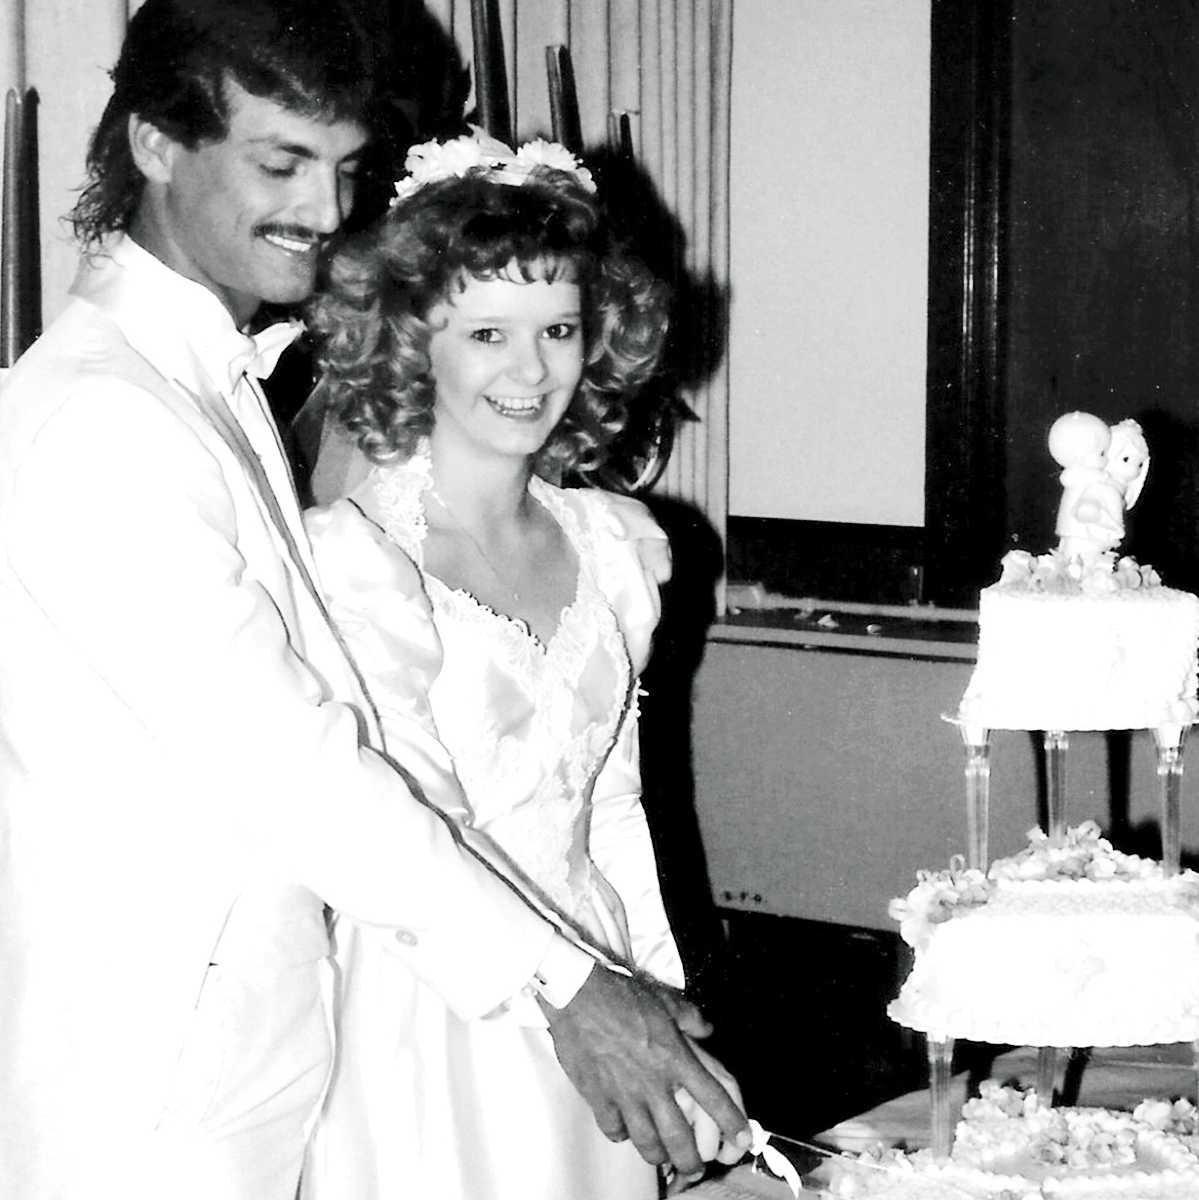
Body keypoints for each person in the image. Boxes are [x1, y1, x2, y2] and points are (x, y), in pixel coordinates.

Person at [0, 4, 748, 1199]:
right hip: (151, 1080)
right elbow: (293, 759)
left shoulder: (206, 383)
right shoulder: (103, 420)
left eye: (343, 167)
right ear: (151, 145)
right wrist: (564, 984)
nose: (322, 206)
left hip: (257, 1049)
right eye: (279, 162)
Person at [297, 131, 743, 1199]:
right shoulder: (356, 560)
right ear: (415, 339)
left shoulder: (617, 546)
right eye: (487, 331)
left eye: (557, 329)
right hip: (435, 1010)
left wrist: (664, 1021)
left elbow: (619, 810)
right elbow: (399, 825)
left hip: (604, 991)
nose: (528, 370)